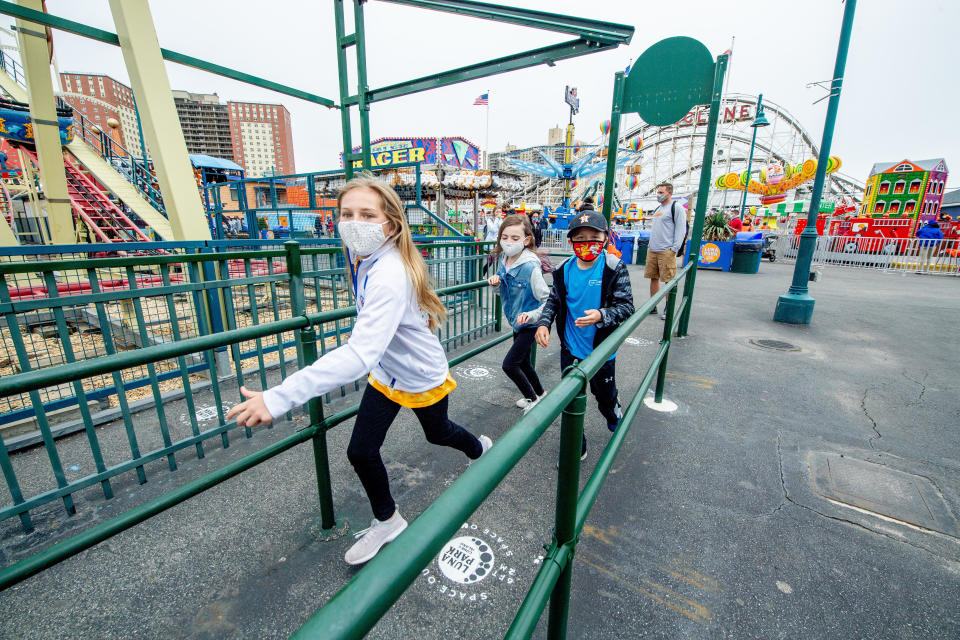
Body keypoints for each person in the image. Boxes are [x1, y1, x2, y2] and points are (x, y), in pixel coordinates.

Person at [227, 175, 493, 566]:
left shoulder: (388, 273)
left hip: (419, 375)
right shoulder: (362, 257)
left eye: (368, 214)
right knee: (361, 450)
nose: (355, 223)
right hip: (388, 373)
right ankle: (388, 520)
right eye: (346, 214)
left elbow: (359, 354)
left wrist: (280, 396)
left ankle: (479, 450)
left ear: (391, 224)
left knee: (439, 433)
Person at [534, 210, 634, 460]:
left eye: (594, 237)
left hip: (601, 351)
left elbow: (627, 307)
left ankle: (613, 412)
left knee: (603, 397)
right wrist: (544, 324)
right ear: (571, 241)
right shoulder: (563, 269)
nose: (586, 243)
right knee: (569, 400)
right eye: (580, 238)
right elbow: (554, 301)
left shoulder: (613, 268)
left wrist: (602, 314)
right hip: (571, 348)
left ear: (605, 238)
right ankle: (577, 446)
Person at [488, 214, 549, 412]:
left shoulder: (531, 267)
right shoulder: (503, 259)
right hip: (516, 320)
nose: (508, 242)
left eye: (515, 238)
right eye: (504, 237)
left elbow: (548, 301)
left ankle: (532, 399)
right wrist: (495, 284)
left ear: (526, 239)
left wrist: (531, 316)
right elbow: (501, 292)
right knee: (523, 362)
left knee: (510, 364)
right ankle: (540, 394)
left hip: (529, 324)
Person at [645, 182, 686, 320]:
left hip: (666, 250)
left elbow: (681, 229)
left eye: (661, 192)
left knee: (668, 279)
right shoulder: (658, 208)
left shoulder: (676, 208)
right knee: (653, 277)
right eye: (658, 192)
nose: (659, 195)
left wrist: (674, 249)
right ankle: (653, 305)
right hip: (653, 249)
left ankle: (669, 306)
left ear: (670, 193)